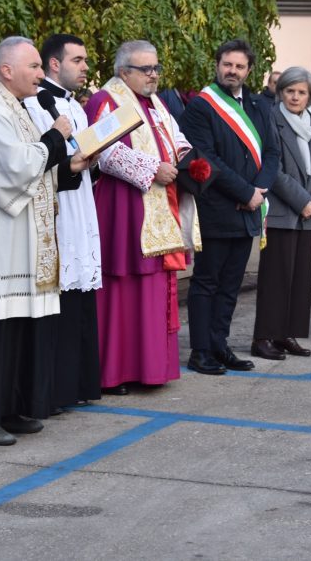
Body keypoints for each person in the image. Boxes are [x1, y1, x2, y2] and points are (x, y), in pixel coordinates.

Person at [0, 36, 89, 446]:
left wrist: (72, 166)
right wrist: (56, 138)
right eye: (35, 67)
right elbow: (12, 169)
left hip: (18, 242)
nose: (42, 75)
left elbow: (36, 170)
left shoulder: (17, 109)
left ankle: (8, 408)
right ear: (7, 71)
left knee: (17, 329)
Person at [84, 41, 200, 394]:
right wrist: (152, 168)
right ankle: (115, 372)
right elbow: (103, 151)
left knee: (155, 288)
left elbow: (175, 139)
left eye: (156, 68)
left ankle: (151, 368)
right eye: (146, 69)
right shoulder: (106, 100)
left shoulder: (157, 103)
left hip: (160, 204)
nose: (154, 75)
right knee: (122, 289)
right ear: (124, 72)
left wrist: (188, 160)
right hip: (124, 206)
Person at [179, 40, 281, 374]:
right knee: (207, 282)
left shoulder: (258, 104)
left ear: (249, 70)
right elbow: (207, 158)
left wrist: (260, 189)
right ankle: (200, 351)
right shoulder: (201, 106)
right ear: (217, 65)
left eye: (239, 66)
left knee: (230, 285)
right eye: (227, 64)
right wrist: (245, 192)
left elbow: (272, 152)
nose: (232, 71)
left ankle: (220, 346)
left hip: (250, 208)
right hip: (217, 208)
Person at [23, 34, 103, 409]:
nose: (85, 67)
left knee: (80, 298)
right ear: (54, 64)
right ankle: (55, 390)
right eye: (78, 60)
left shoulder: (76, 107)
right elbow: (39, 157)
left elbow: (81, 156)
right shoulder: (36, 104)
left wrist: (93, 160)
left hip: (80, 203)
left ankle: (78, 386)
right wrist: (72, 164)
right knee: (61, 300)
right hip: (57, 208)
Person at [251, 67, 311, 359]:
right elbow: (273, 170)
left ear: (310, 96)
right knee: (275, 278)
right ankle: (263, 337)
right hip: (283, 212)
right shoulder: (271, 120)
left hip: (308, 214)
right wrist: (303, 202)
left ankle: (286, 334)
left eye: (301, 92)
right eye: (290, 91)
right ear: (280, 92)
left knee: (299, 279)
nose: (295, 97)